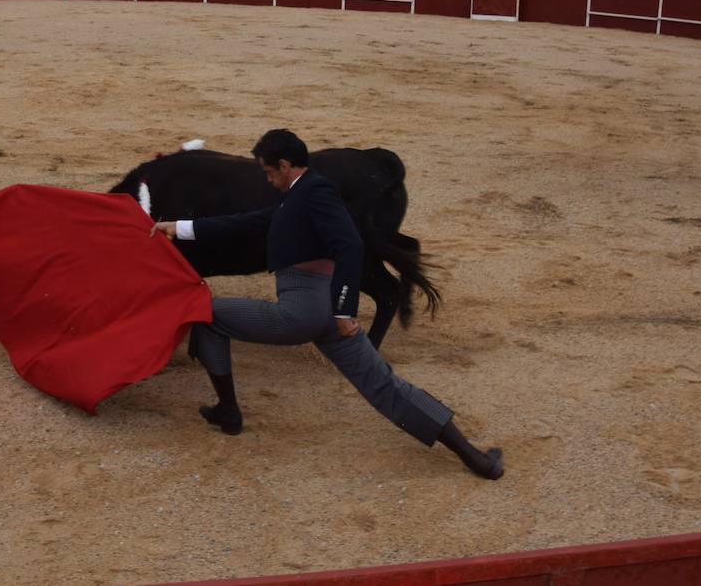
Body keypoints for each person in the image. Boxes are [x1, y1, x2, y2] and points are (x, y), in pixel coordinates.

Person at [151, 129, 503, 479]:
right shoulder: (301, 194)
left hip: (303, 311)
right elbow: (252, 221)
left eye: (269, 172)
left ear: (285, 165)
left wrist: (345, 309)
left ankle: (229, 412)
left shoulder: (315, 193)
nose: (267, 180)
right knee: (386, 387)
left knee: (207, 315)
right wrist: (181, 228)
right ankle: (475, 457)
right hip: (326, 312)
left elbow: (350, 244)